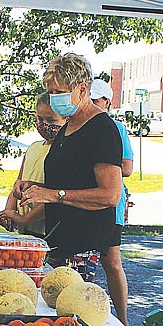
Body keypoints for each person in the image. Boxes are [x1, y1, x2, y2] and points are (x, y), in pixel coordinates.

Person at [19, 53, 122, 283]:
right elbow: (71, 180)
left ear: (82, 90)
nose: (53, 99)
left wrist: (54, 195)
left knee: (71, 306)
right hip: (58, 237)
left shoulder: (102, 130)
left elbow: (110, 195)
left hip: (84, 240)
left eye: (58, 93)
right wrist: (36, 188)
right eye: (50, 92)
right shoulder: (68, 126)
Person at [90, 78, 134, 326]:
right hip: (81, 204)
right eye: (89, 101)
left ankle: (124, 320)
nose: (93, 106)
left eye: (96, 101)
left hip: (108, 204)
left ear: (107, 102)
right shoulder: (78, 126)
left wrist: (101, 166)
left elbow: (126, 167)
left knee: (112, 262)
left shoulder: (116, 128)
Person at [0, 93, 65, 236]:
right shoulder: (33, 148)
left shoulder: (63, 152)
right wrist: (8, 213)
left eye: (50, 120)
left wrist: (25, 219)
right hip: (22, 228)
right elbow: (18, 185)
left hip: (44, 230)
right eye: (39, 119)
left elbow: (54, 195)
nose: (44, 124)